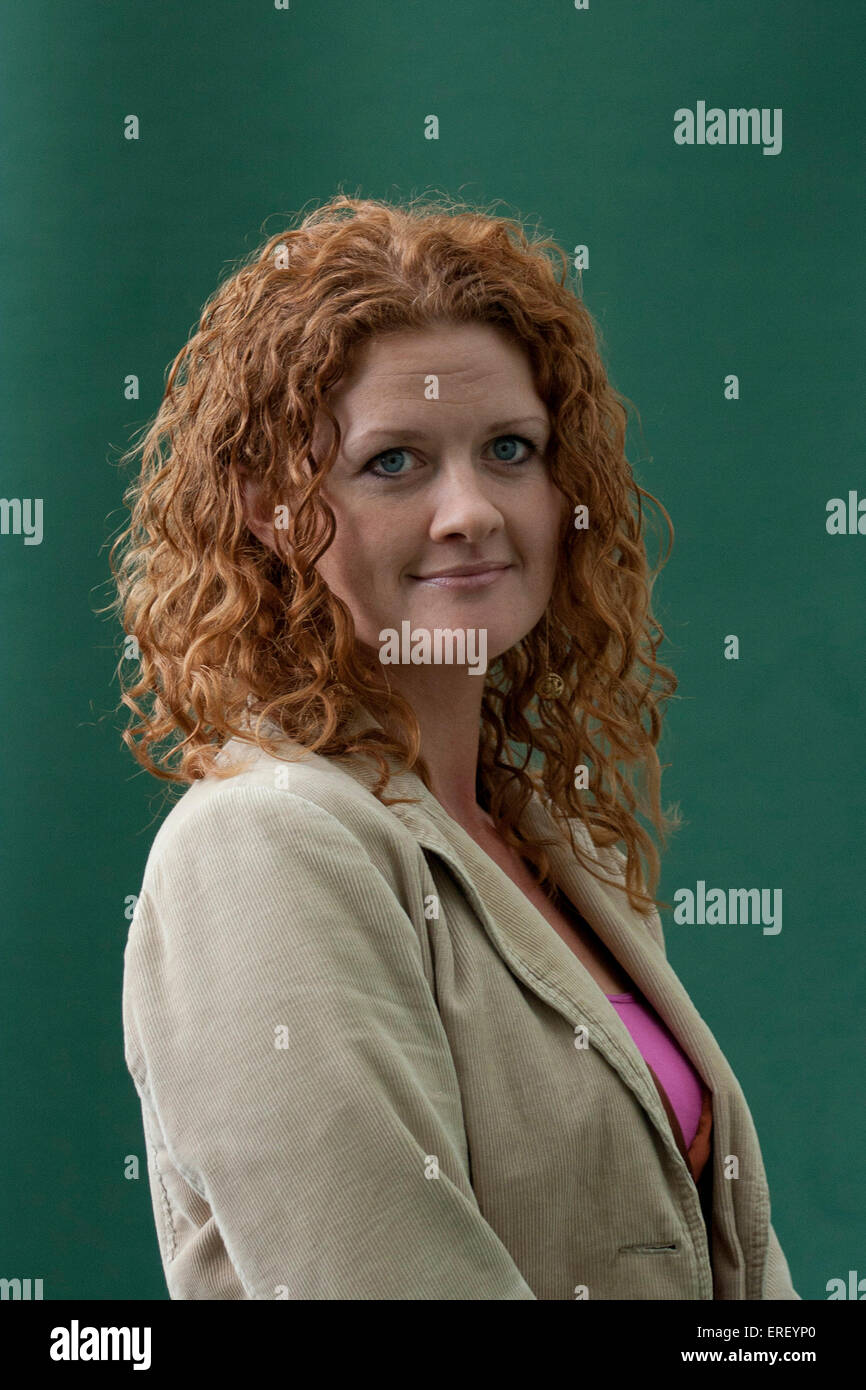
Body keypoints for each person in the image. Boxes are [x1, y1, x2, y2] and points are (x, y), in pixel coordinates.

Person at [111, 193, 799, 1300]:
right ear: (271, 508)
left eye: (509, 450)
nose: (470, 508)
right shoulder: (261, 846)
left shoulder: (556, 843)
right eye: (394, 463)